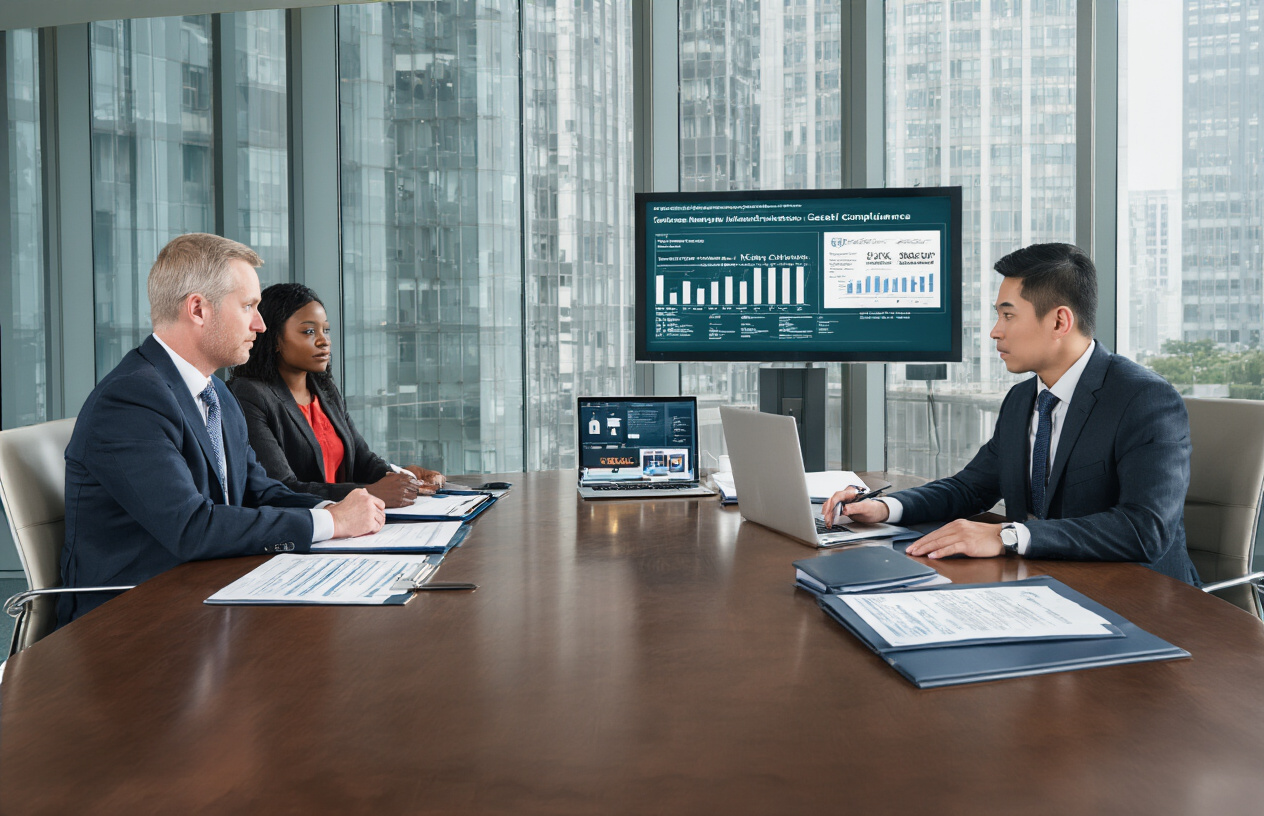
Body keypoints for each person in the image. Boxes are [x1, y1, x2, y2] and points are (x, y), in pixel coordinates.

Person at [823, 243, 1199, 584]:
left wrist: (1007, 535)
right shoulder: (1023, 399)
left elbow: (1145, 529)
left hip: (1142, 597)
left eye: (1008, 316)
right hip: (1043, 583)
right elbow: (970, 487)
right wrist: (884, 508)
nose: (994, 332)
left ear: (1059, 322)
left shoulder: (1144, 399)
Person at [60, 234, 386, 625]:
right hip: (133, 621)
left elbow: (257, 490)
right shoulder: (131, 399)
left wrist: (334, 509)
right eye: (248, 306)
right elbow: (191, 527)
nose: (261, 324)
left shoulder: (216, 393)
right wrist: (332, 523)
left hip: (209, 596)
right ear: (198, 309)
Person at [227, 283, 445, 508]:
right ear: (274, 339)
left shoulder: (323, 389)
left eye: (326, 330)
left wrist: (406, 478)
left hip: (353, 524)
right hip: (307, 528)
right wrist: (367, 492)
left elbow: (363, 460)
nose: (324, 341)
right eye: (309, 331)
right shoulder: (250, 395)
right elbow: (281, 487)